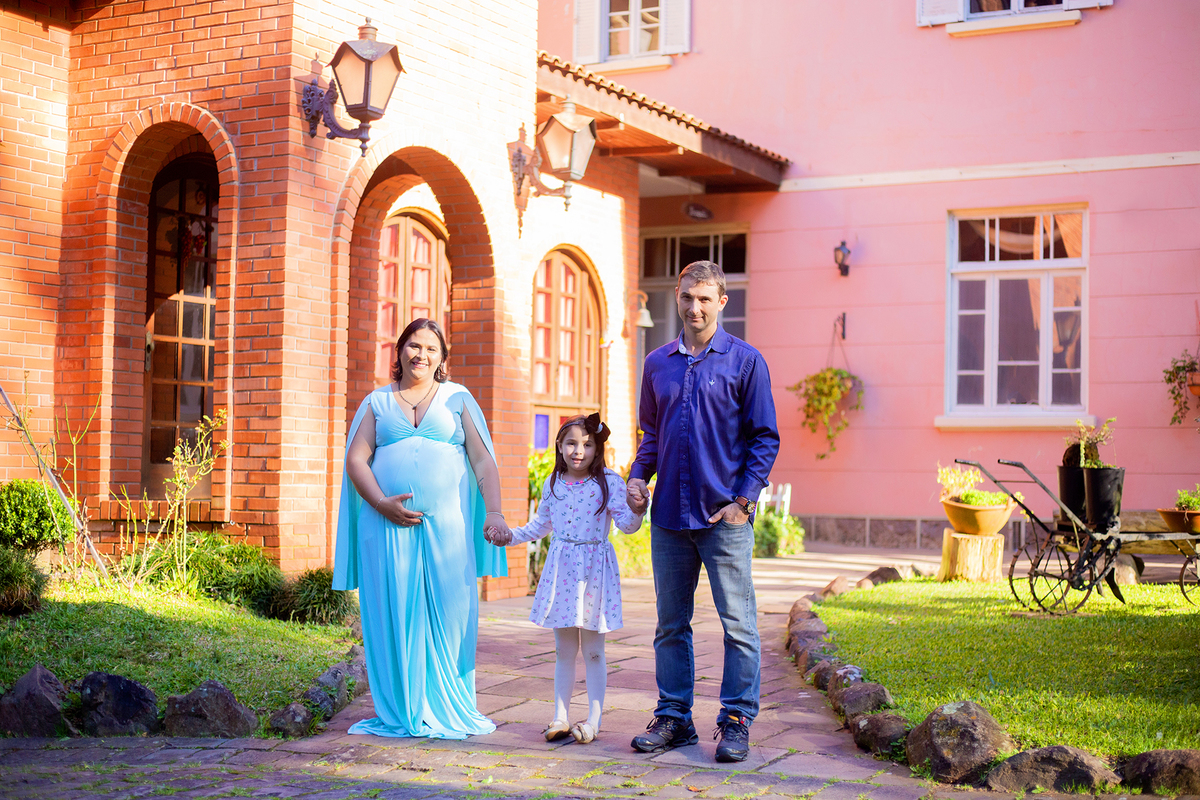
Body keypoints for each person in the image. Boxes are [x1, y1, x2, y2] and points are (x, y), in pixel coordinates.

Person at [626, 260, 780, 763]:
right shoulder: (657, 364)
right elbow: (652, 435)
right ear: (678, 296)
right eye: (688, 297)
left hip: (723, 519)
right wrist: (636, 477)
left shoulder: (746, 362)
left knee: (739, 626)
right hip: (669, 516)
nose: (695, 307)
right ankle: (674, 718)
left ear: (722, 302)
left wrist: (743, 502)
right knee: (670, 625)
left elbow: (765, 438)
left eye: (705, 299)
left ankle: (736, 721)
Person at [332, 318, 512, 740]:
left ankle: (448, 705)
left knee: (451, 614)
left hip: (448, 528)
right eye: (414, 345)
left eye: (432, 348)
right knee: (394, 613)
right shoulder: (377, 402)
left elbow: (483, 460)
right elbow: (356, 460)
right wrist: (381, 503)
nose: (421, 355)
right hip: (385, 527)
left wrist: (495, 512)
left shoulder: (457, 398)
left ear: (442, 358)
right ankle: (402, 708)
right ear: (399, 351)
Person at [489, 413, 643, 744]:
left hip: (594, 573)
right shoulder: (553, 483)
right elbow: (540, 526)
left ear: (597, 449)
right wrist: (509, 537)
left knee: (594, 651)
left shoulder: (609, 483)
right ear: (559, 446)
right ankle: (560, 716)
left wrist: (638, 509)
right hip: (563, 573)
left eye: (587, 445)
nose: (579, 451)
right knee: (563, 650)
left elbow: (628, 526)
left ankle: (594, 721)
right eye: (571, 443)